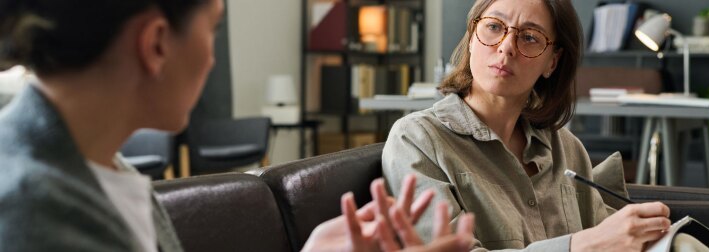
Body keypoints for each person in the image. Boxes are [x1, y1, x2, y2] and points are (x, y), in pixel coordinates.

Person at [0, 0, 473, 251]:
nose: (211, 57)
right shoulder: (32, 214)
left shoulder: (104, 168)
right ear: (157, 44)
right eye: (215, 29)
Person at [382, 0, 671, 251]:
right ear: (472, 36)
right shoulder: (417, 140)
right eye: (494, 27)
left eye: (530, 37)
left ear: (552, 62)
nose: (506, 47)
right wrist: (581, 246)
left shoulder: (567, 148)